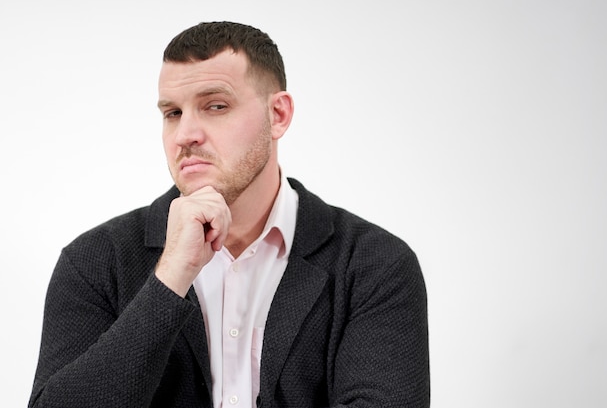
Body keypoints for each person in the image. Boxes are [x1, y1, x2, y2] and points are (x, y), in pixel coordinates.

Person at [28, 21, 430, 408]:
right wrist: (170, 277)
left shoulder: (374, 264)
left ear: (278, 115)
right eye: (172, 113)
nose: (186, 134)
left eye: (215, 106)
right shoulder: (94, 261)